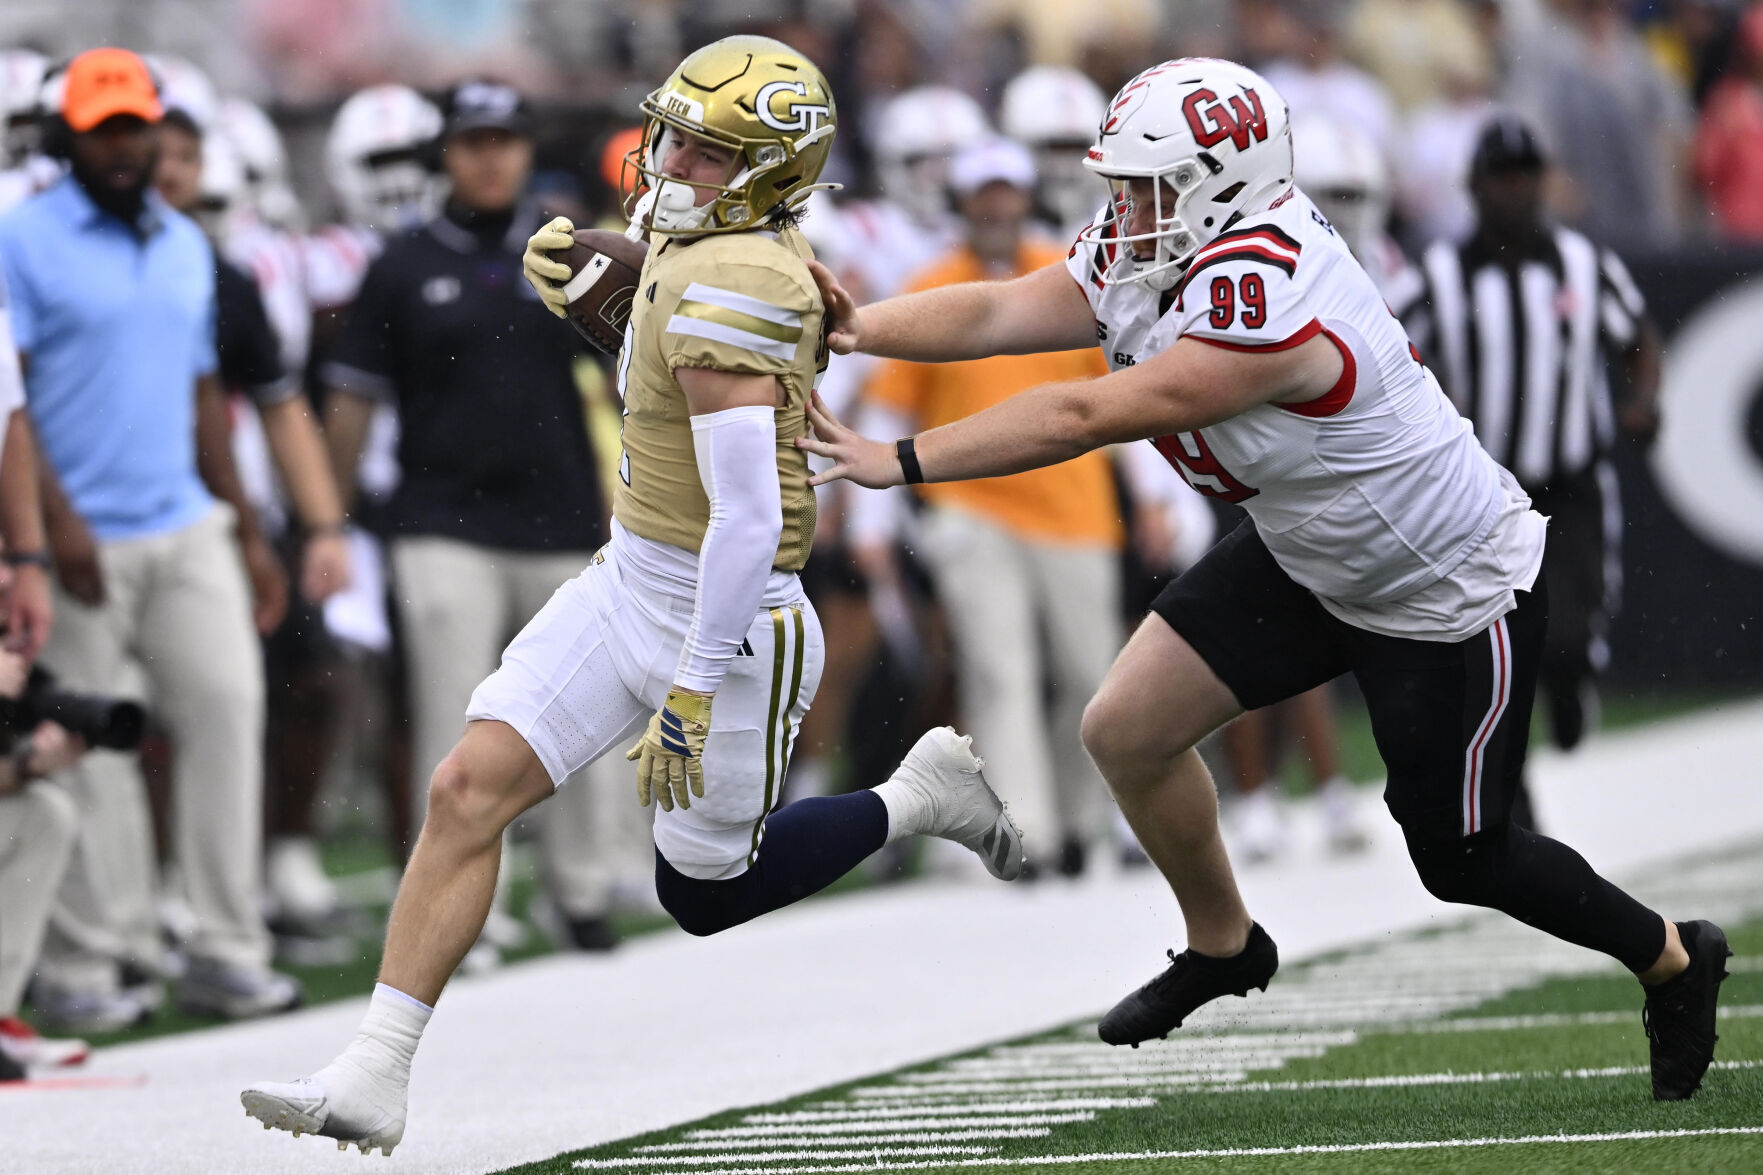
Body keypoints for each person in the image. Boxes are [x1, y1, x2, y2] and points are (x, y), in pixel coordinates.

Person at [801, 57, 1729, 1103]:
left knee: (1462, 856)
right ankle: (1221, 941)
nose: (1123, 208)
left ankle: (1672, 955)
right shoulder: (1172, 236)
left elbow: (1085, 412)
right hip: (1304, 547)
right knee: (1125, 730)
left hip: (1439, 583)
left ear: (1221, 182)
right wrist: (856, 327)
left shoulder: (1268, 289)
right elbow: (1004, 312)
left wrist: (902, 458)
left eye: (1148, 185)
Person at [241, 37, 1024, 1155]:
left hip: (735, 615)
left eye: (704, 149)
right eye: (674, 133)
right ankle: (376, 1067)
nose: (669, 159)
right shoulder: (704, 238)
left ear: (765, 171)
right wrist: (611, 301)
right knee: (466, 786)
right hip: (633, 573)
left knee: (700, 890)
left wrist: (693, 686)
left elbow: (747, 521)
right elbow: (670, 359)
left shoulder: (737, 277)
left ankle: (920, 795)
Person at [0, 48, 300, 1028]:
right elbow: (13, 403)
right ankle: (96, 962)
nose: (126, 146)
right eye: (105, 129)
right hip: (75, 536)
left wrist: (248, 532)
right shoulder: (20, 239)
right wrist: (51, 527)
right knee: (92, 743)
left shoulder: (180, 241)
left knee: (225, 710)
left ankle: (223, 946)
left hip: (184, 521)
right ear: (68, 135)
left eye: (137, 127)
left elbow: (204, 396)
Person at [320, 78, 622, 960]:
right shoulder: (402, 262)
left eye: (504, 140)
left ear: (526, 149)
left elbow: (624, 379)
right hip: (440, 520)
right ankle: (462, 919)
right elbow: (352, 405)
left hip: (564, 516)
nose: (490, 157)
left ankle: (581, 891)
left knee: (582, 715)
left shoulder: (568, 254)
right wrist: (331, 524)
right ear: (444, 154)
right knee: (460, 727)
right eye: (471, 141)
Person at [856, 136, 1179, 876]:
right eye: (982, 195)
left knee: (1089, 672)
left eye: (1006, 192)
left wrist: (1158, 496)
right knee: (998, 670)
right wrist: (873, 518)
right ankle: (1025, 831)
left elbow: (1127, 387)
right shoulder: (934, 282)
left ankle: (1081, 823)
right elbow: (890, 404)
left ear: (1022, 196)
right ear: (964, 205)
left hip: (1076, 505)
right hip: (970, 506)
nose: (997, 206)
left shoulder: (1072, 276)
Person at [1410, 116, 1661, 820]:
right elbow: (1393, 353)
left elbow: (1638, 336)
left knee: (1568, 633)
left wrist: (1642, 401)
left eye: (1526, 177)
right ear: (1475, 187)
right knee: (1495, 648)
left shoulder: (1582, 264)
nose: (1515, 192)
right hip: (1484, 493)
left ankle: (1571, 679)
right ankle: (1510, 796)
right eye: (1501, 178)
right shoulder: (1440, 274)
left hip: (1572, 481)